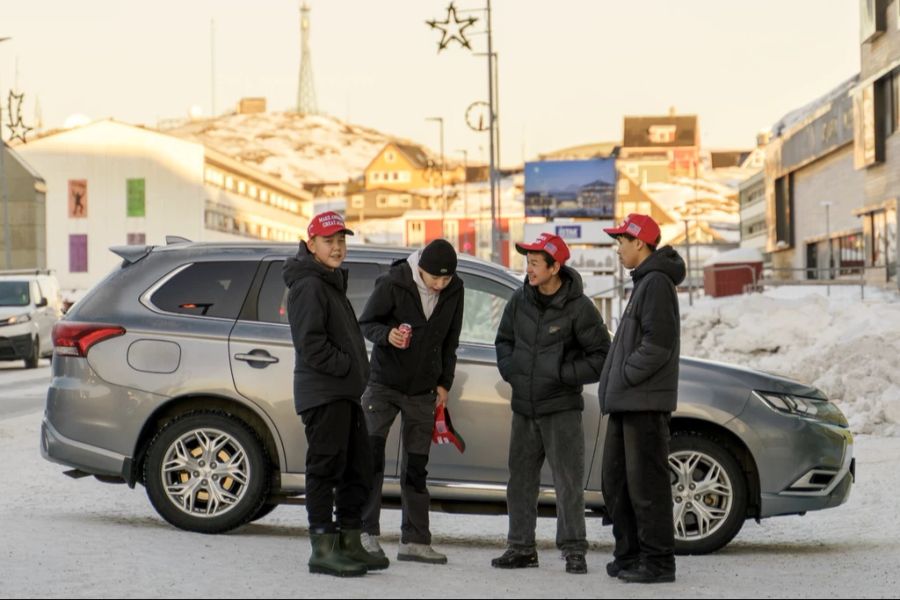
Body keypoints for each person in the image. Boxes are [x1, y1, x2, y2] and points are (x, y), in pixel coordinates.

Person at [491, 233, 610, 574]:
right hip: (524, 410)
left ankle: (574, 550)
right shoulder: (520, 299)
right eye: (527, 262)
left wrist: (562, 373)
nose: (528, 269)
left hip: (561, 409)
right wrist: (512, 371)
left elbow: (602, 356)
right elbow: (503, 341)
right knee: (521, 482)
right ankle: (521, 548)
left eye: (534, 263)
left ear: (555, 267)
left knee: (568, 482)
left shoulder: (579, 308)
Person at [283, 211, 389, 577]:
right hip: (324, 392)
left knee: (356, 467)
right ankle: (323, 548)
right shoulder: (309, 286)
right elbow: (311, 344)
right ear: (311, 244)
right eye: (329, 241)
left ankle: (350, 541)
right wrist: (347, 365)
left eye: (342, 241)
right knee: (325, 469)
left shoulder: (329, 281)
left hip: (344, 393)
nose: (338, 247)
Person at [358, 238, 465, 565]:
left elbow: (451, 340)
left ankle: (415, 541)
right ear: (420, 270)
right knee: (371, 459)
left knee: (416, 467)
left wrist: (444, 383)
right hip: (384, 385)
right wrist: (388, 335)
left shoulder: (455, 290)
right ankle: (364, 534)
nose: (440, 285)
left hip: (423, 391)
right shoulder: (394, 283)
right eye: (435, 278)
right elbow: (368, 323)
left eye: (446, 279)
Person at [598, 213, 685, 584]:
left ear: (640, 243)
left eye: (622, 241)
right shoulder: (644, 283)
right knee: (618, 483)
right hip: (629, 402)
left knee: (647, 486)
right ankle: (631, 555)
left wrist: (625, 376)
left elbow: (657, 345)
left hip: (644, 404)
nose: (618, 248)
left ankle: (658, 562)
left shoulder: (656, 284)